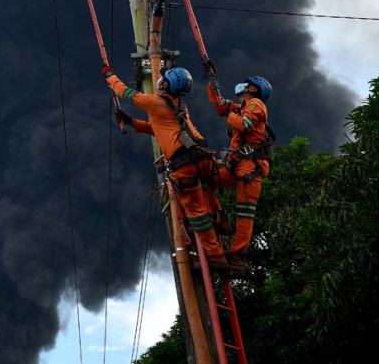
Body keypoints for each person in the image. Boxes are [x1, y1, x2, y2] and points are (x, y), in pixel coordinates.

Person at [104, 63, 228, 272]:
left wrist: (109, 75)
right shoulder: (178, 105)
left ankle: (216, 257)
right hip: (204, 156)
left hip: (184, 163)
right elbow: (160, 129)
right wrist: (132, 122)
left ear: (167, 83)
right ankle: (220, 218)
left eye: (164, 78)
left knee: (196, 212)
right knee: (206, 190)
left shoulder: (155, 102)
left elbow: (123, 92)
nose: (160, 81)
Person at [207, 75, 273, 275]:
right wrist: (211, 81)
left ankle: (237, 256)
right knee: (206, 181)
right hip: (237, 164)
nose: (245, 86)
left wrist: (228, 112)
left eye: (249, 85)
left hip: (251, 167)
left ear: (254, 90)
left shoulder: (255, 104)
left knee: (245, 213)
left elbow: (245, 125)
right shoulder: (242, 106)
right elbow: (220, 103)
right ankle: (220, 218)